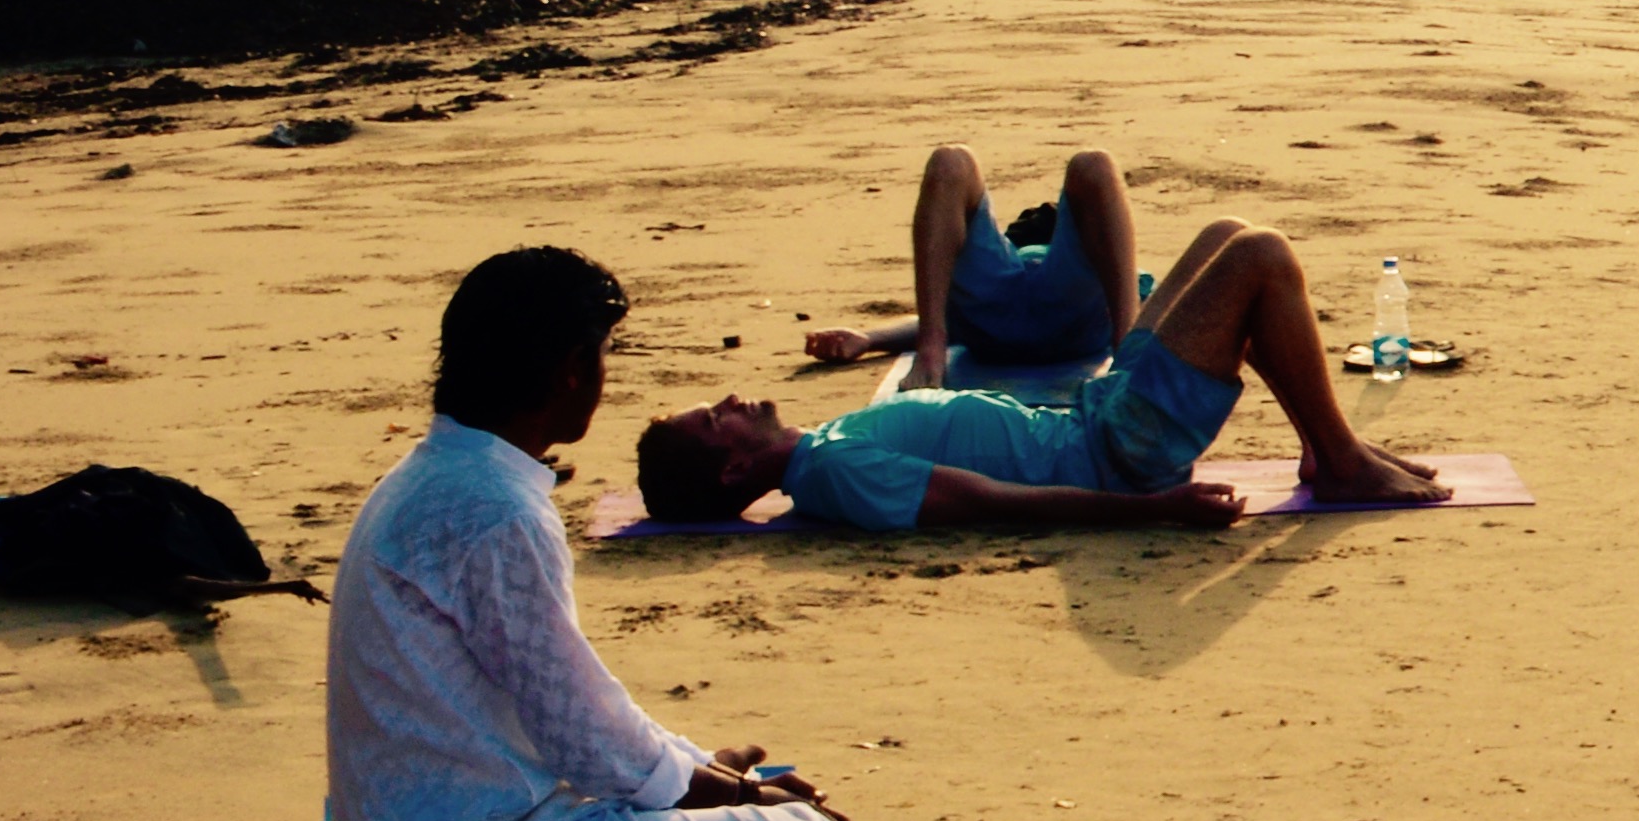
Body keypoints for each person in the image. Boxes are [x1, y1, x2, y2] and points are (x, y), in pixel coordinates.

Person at [326, 248, 862, 821]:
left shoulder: (435, 473)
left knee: (679, 787)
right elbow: (579, 731)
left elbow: (570, 705)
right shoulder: (494, 507)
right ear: (571, 371)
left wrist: (690, 771)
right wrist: (733, 794)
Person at [626, 221, 1460, 530]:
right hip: (1116, 453)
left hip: (1097, 419)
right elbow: (983, 502)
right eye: (715, 418)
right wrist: (1145, 510)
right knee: (1261, 256)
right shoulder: (834, 474)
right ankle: (1339, 457)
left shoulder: (828, 450)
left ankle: (1326, 448)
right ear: (735, 467)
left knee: (1223, 236)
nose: (731, 399)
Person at [799, 144, 1138, 388]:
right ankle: (931, 353)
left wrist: (872, 339)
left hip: (1074, 321)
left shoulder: (1098, 267)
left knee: (1094, 164)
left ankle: (1131, 351)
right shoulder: (990, 283)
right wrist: (869, 339)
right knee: (950, 161)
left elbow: (949, 322)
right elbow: (954, 319)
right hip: (1006, 323)